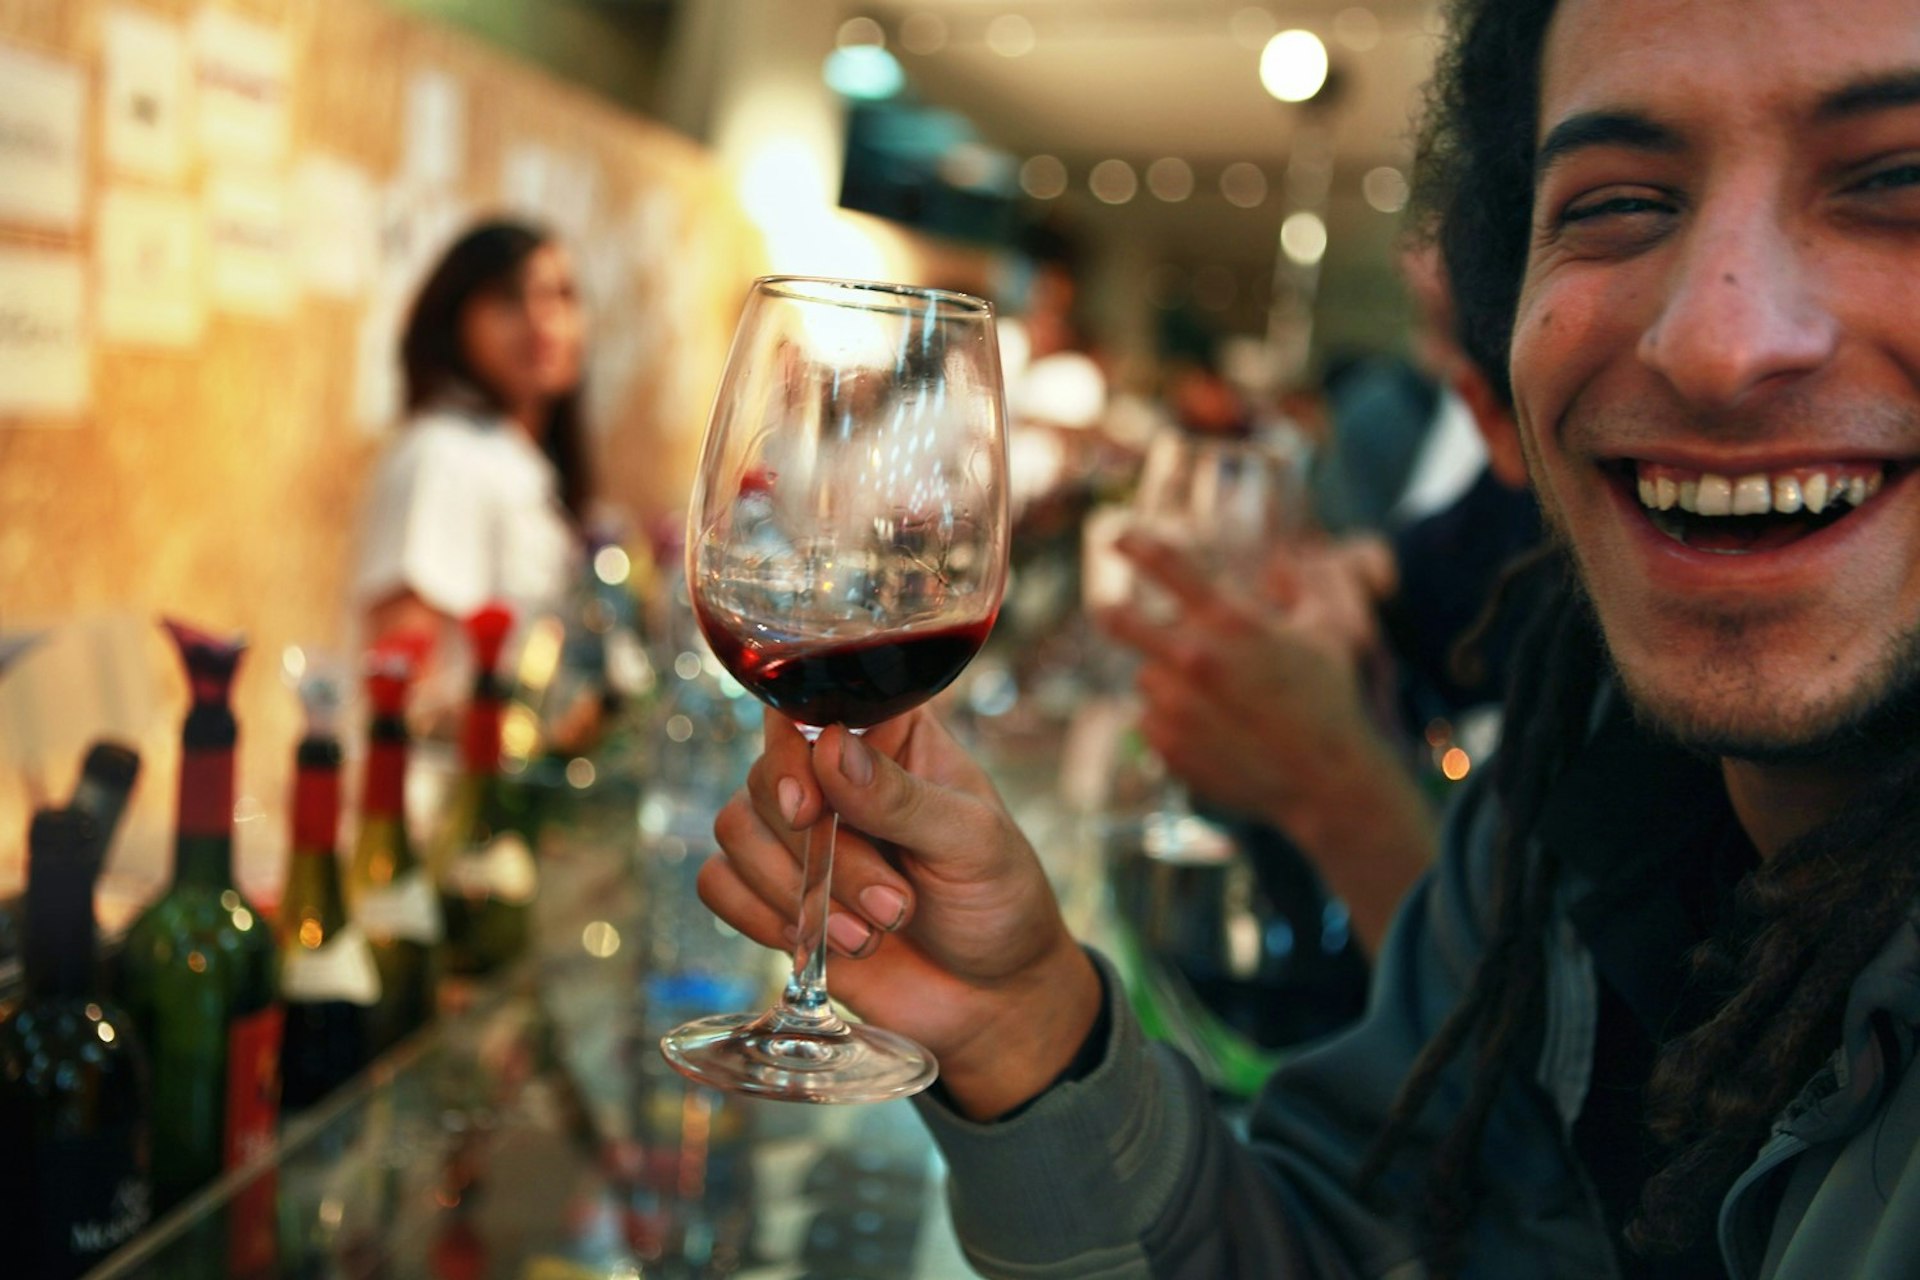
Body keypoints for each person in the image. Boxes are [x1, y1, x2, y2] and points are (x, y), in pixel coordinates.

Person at [699, 0, 1920, 1276]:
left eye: (1897, 180)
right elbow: (1352, 1245)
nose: (1718, 342)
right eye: (1619, 201)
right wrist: (1022, 1030)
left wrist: (1331, 777)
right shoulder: (1575, 796)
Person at [355, 219, 590, 667]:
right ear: (454, 318)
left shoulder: (523, 459)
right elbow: (402, 669)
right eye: (509, 298)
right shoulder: (440, 456)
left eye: (562, 295)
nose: (543, 321)